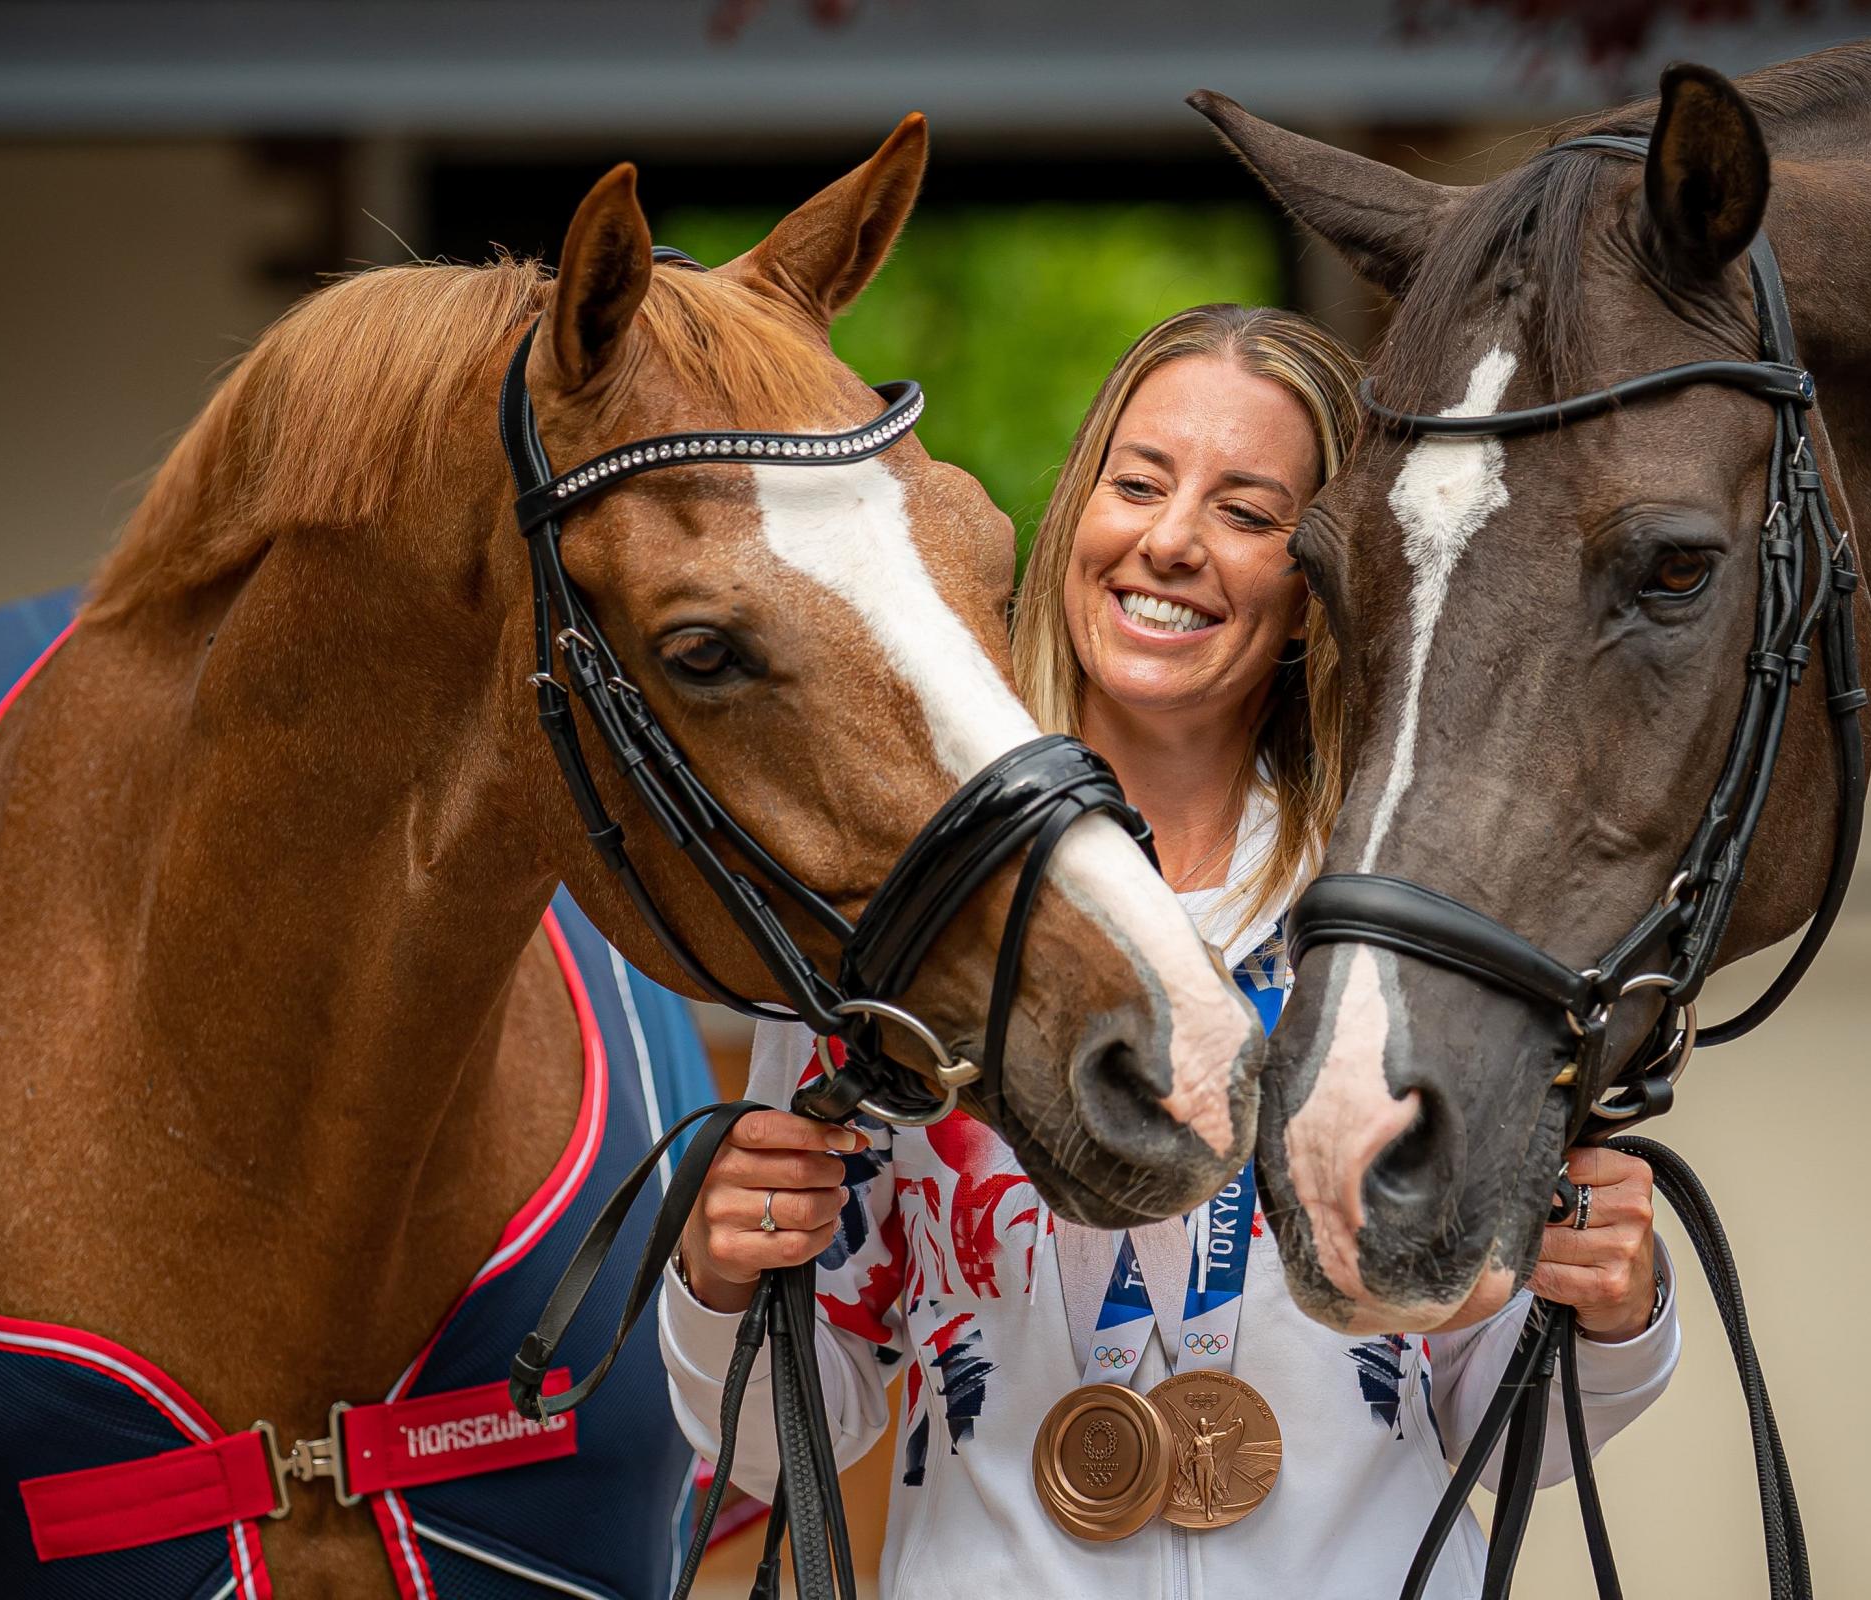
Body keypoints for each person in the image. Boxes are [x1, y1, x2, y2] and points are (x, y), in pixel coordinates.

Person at [657, 305, 1677, 1597]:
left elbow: (1501, 1424)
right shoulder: (900, 915)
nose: (1173, 541)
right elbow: (798, 1426)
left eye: (1249, 514)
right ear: (1079, 513)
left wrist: (1603, 1304)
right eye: (1138, 484)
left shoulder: (1416, 925)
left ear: (1316, 587)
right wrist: (723, 1276)